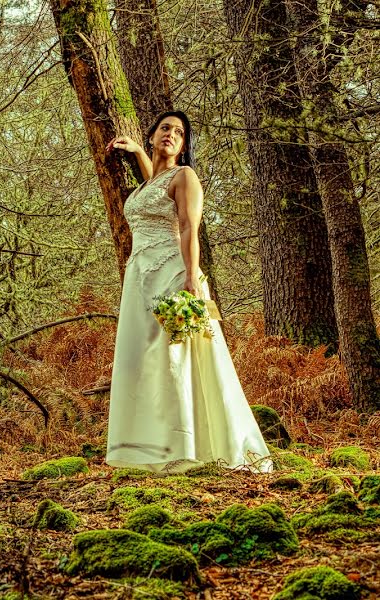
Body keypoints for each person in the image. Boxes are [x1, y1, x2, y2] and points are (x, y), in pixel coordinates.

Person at [104, 111, 272, 474]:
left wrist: (192, 279)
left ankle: (187, 447)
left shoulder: (186, 176)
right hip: (139, 279)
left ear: (184, 145)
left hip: (173, 273)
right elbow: (154, 189)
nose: (171, 134)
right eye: (165, 128)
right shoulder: (150, 181)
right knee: (143, 360)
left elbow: (186, 227)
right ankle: (148, 448)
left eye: (179, 133)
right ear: (152, 136)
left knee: (173, 358)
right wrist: (135, 151)